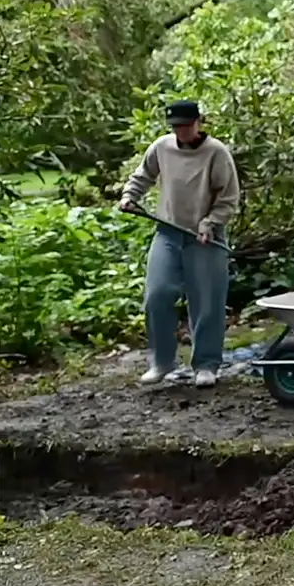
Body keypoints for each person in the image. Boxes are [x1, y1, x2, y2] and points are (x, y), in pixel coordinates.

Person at [118, 100, 242, 388]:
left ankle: (206, 364)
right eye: (175, 126)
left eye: (186, 125)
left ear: (199, 122)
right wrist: (129, 195)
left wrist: (210, 222)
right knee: (157, 294)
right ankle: (162, 362)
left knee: (207, 301)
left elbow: (228, 197)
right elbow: (143, 175)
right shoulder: (161, 147)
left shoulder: (216, 152)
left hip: (206, 238)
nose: (181, 131)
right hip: (168, 232)